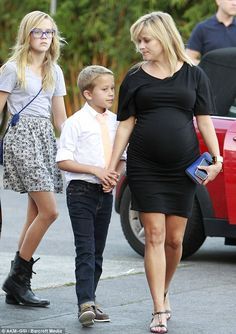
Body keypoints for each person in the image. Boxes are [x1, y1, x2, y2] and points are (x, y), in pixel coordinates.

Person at [108, 11, 223, 333]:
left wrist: (217, 159)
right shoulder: (134, 77)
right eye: (138, 41)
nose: (140, 46)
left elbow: (204, 119)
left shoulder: (194, 75)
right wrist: (112, 164)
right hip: (145, 165)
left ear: (164, 37)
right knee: (154, 236)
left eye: (146, 40)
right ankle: (158, 307)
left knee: (175, 240)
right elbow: (125, 124)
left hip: (182, 167)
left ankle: (165, 289)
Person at [0, 11, 67, 307]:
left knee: (34, 213)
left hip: (45, 139)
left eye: (49, 32)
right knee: (50, 211)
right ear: (27, 34)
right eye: (38, 31)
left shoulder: (56, 71)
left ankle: (18, 282)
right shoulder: (13, 68)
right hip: (21, 136)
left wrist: (73, 146)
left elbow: (61, 118)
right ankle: (17, 279)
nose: (44, 36)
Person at [56, 65, 125, 328]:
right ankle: (84, 303)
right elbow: (63, 160)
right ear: (87, 94)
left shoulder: (117, 121)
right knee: (85, 249)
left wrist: (113, 176)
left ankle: (91, 300)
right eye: (104, 89)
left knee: (97, 251)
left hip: (105, 193)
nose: (110, 94)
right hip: (81, 192)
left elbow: (122, 156)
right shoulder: (75, 123)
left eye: (112, 89)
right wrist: (96, 170)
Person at [186, 0, 236, 64]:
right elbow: (189, 58)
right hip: (210, 73)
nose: (234, 3)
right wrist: (209, 66)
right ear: (218, 1)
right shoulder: (203, 28)